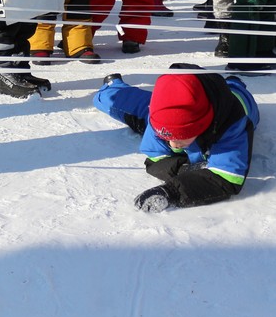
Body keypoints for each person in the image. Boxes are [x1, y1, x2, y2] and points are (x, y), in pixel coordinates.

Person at [93, 68, 259, 211]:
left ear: (199, 127)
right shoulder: (157, 118)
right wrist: (183, 169)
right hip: (176, 108)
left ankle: (234, 81)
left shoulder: (233, 125)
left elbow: (227, 177)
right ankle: (111, 88)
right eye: (166, 137)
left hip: (235, 99)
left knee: (236, 90)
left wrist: (172, 192)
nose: (172, 144)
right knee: (115, 103)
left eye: (179, 137)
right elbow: (155, 158)